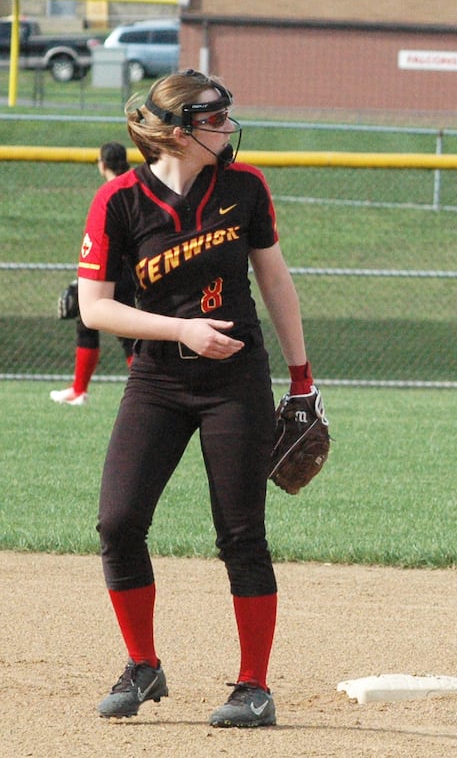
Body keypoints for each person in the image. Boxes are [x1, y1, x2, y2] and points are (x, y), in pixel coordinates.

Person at [76, 69, 316, 729]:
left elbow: (275, 281)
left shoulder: (244, 187)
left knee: (242, 534)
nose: (228, 128)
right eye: (214, 119)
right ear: (179, 131)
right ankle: (143, 665)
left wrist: (302, 379)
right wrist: (179, 328)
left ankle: (254, 688)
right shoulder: (121, 200)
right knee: (118, 523)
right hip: (156, 378)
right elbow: (96, 309)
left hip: (234, 379)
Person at [50, 142, 138, 406]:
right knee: (88, 323)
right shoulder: (137, 185)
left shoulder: (112, 192)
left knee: (125, 335)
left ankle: (149, 389)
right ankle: (79, 389)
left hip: (115, 271)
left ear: (103, 163)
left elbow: (103, 242)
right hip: (129, 271)